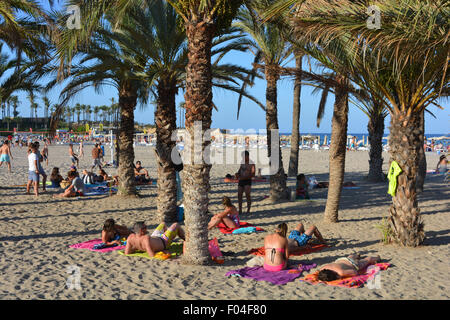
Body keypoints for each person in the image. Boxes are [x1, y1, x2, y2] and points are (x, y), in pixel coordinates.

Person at [235, 150, 255, 215]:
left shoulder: (252, 163)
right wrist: (237, 173)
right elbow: (240, 169)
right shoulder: (242, 162)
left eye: (244, 157)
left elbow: (253, 174)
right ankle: (240, 210)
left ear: (247, 156)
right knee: (239, 195)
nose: (243, 158)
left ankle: (248, 209)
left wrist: (246, 177)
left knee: (247, 195)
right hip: (241, 180)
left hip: (247, 180)